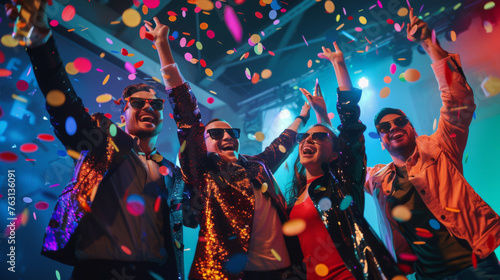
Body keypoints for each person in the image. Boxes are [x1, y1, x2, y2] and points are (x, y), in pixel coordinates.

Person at [5, 1, 193, 279]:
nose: (149, 108)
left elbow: (189, 219)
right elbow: (63, 103)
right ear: (122, 113)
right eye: (138, 102)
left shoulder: (172, 173)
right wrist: (40, 40)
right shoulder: (100, 143)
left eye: (156, 105)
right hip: (98, 271)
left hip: (156, 274)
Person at [144, 16, 309, 280]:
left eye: (231, 132)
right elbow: (187, 114)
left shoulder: (256, 165)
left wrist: (302, 117)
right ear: (203, 143)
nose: (227, 136)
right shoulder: (202, 168)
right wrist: (163, 46)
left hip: (284, 272)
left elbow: (282, 145)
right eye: (216, 133)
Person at [365, 9, 500, 280]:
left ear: (412, 127)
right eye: (384, 128)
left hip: (475, 266)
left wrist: (429, 43)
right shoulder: (378, 179)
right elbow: (342, 162)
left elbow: (458, 102)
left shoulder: (439, 148)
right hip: (428, 275)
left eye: (399, 121)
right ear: (380, 142)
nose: (393, 128)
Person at [288, 43, 403, 280]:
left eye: (319, 137)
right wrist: (319, 118)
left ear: (334, 154)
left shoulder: (342, 182)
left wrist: (339, 65)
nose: (308, 139)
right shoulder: (294, 197)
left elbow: (350, 128)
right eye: (305, 136)